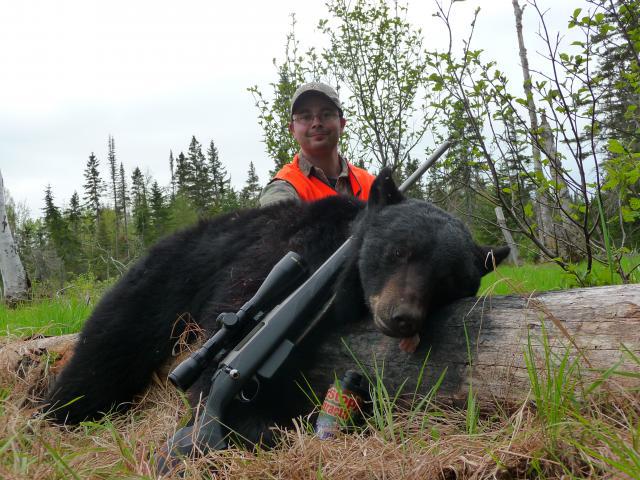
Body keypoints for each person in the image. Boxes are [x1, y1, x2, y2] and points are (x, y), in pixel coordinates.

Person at [259, 82, 375, 207]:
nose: (316, 123)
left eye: (326, 114)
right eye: (305, 116)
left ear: (341, 124)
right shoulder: (283, 188)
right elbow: (275, 222)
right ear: (292, 129)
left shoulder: (372, 185)